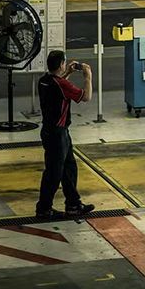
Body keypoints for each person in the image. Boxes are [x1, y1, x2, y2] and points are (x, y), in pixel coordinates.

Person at [36, 50, 94, 220]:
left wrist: (67, 73)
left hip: (50, 131)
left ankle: (73, 204)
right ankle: (44, 208)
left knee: (69, 168)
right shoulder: (62, 85)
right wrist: (88, 76)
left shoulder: (44, 81)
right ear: (61, 64)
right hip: (58, 134)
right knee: (54, 173)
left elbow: (59, 87)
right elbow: (86, 97)